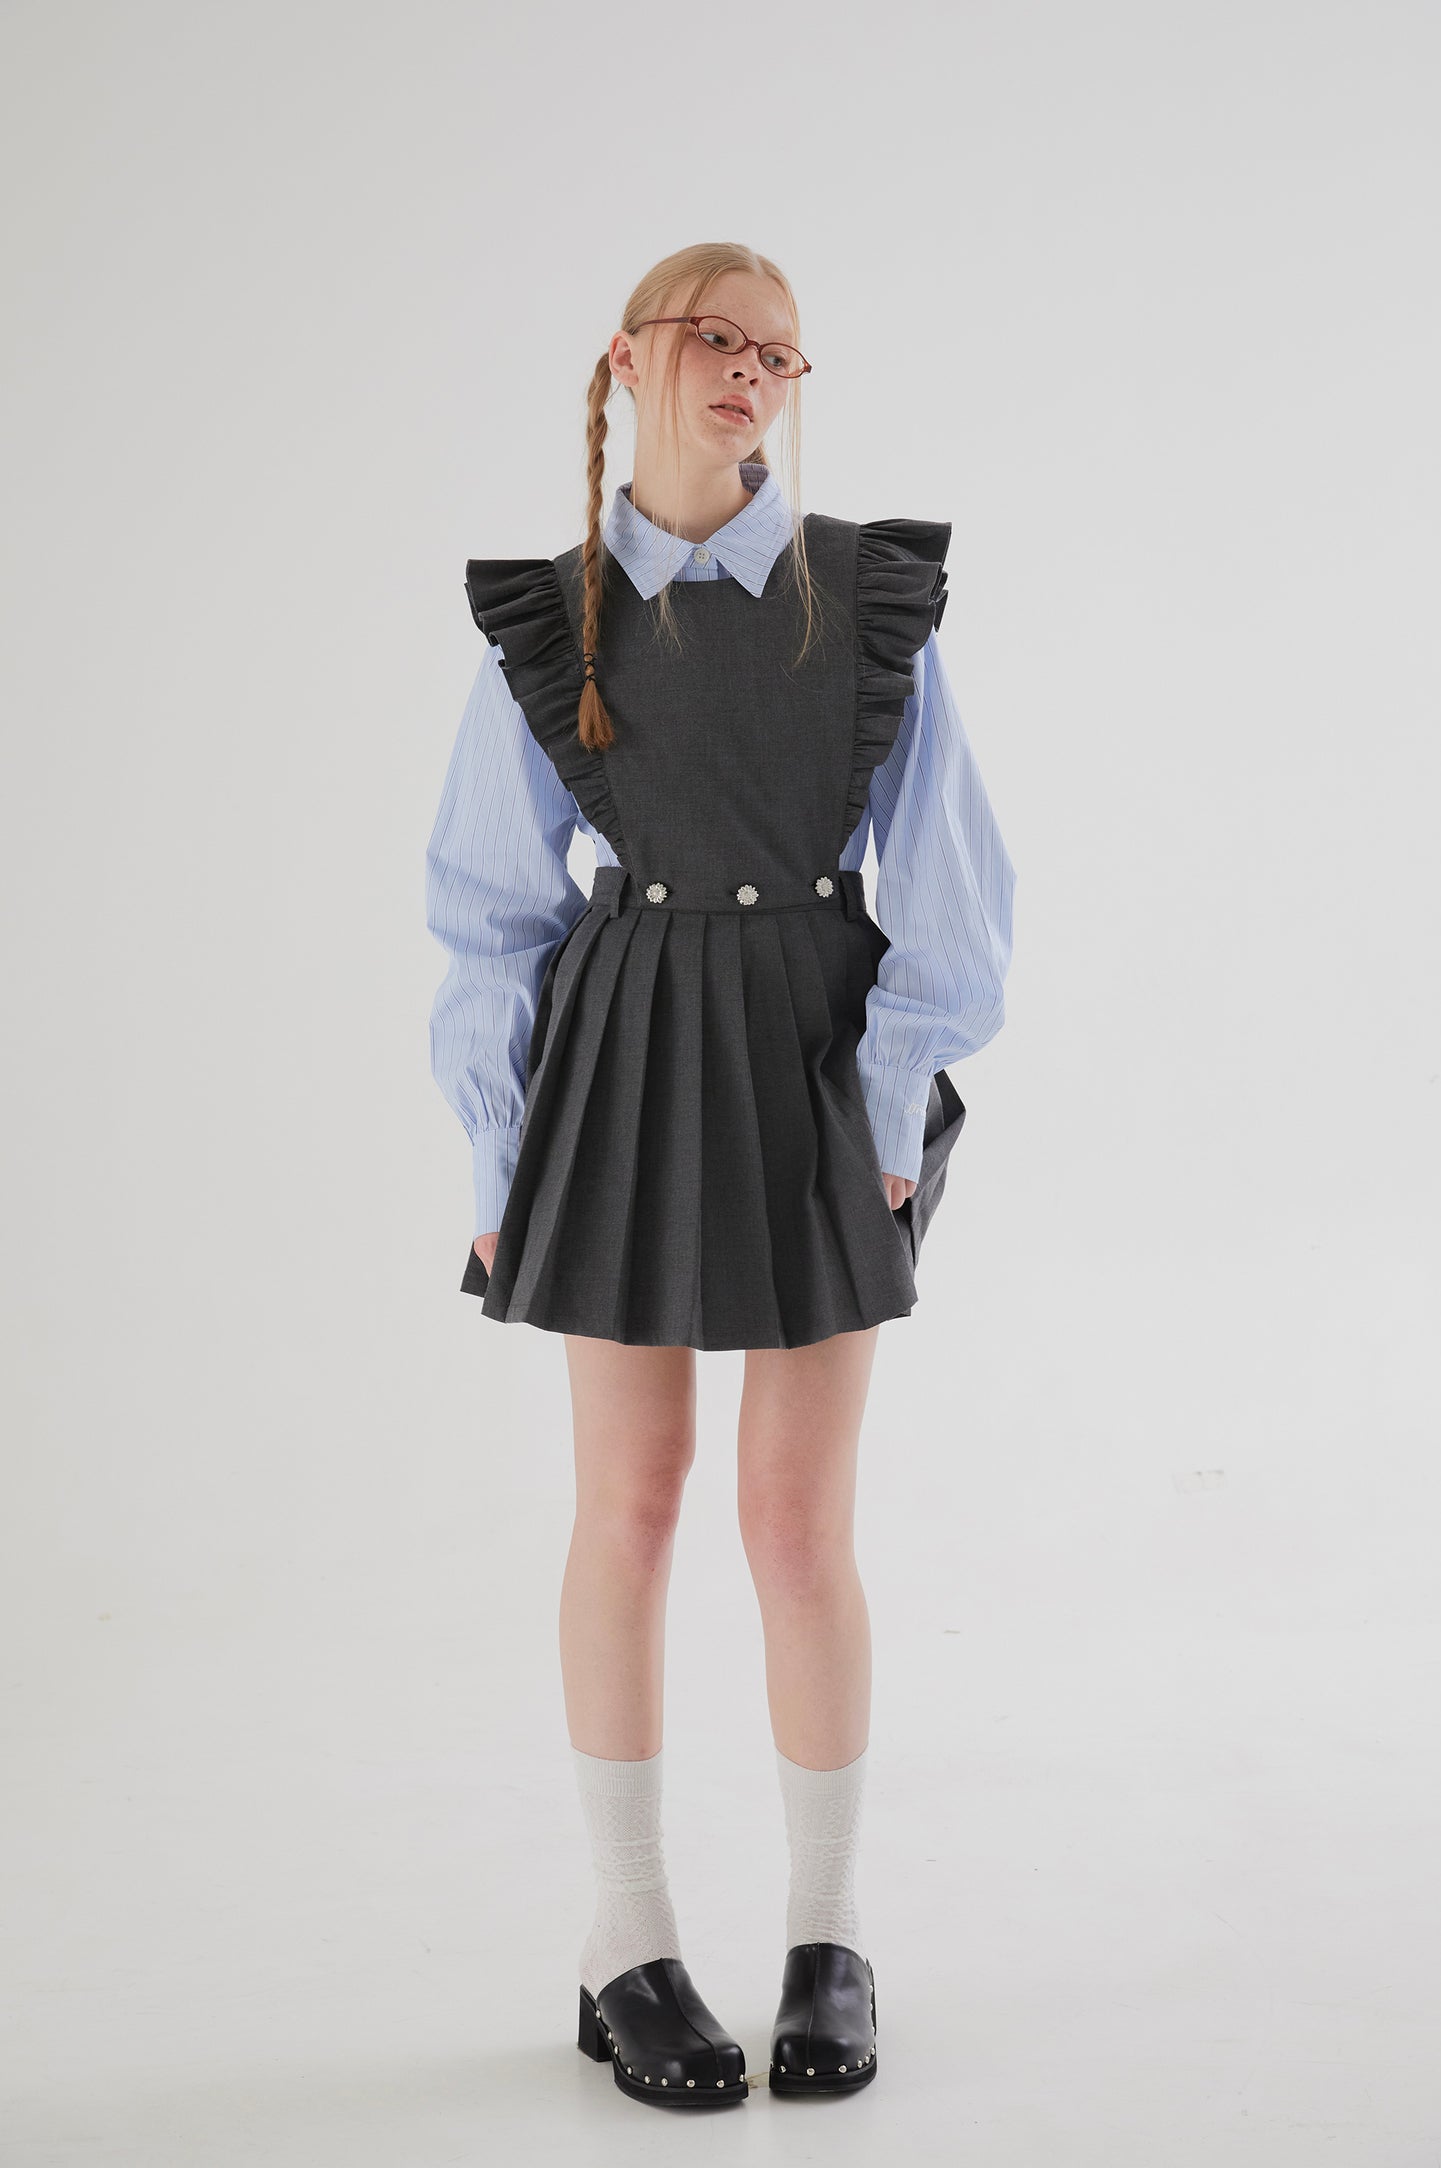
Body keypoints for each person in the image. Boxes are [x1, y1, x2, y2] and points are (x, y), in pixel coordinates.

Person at [424, 241, 1017, 2109]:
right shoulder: (562, 621)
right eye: (716, 339)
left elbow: (954, 893)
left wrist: (885, 1115)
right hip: (621, 1062)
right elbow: (486, 908)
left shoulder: (861, 600)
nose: (751, 372)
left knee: (793, 1518)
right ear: (631, 360)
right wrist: (501, 1149)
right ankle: (627, 1938)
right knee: (630, 1502)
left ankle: (829, 1936)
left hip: (818, 1063)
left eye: (779, 352)